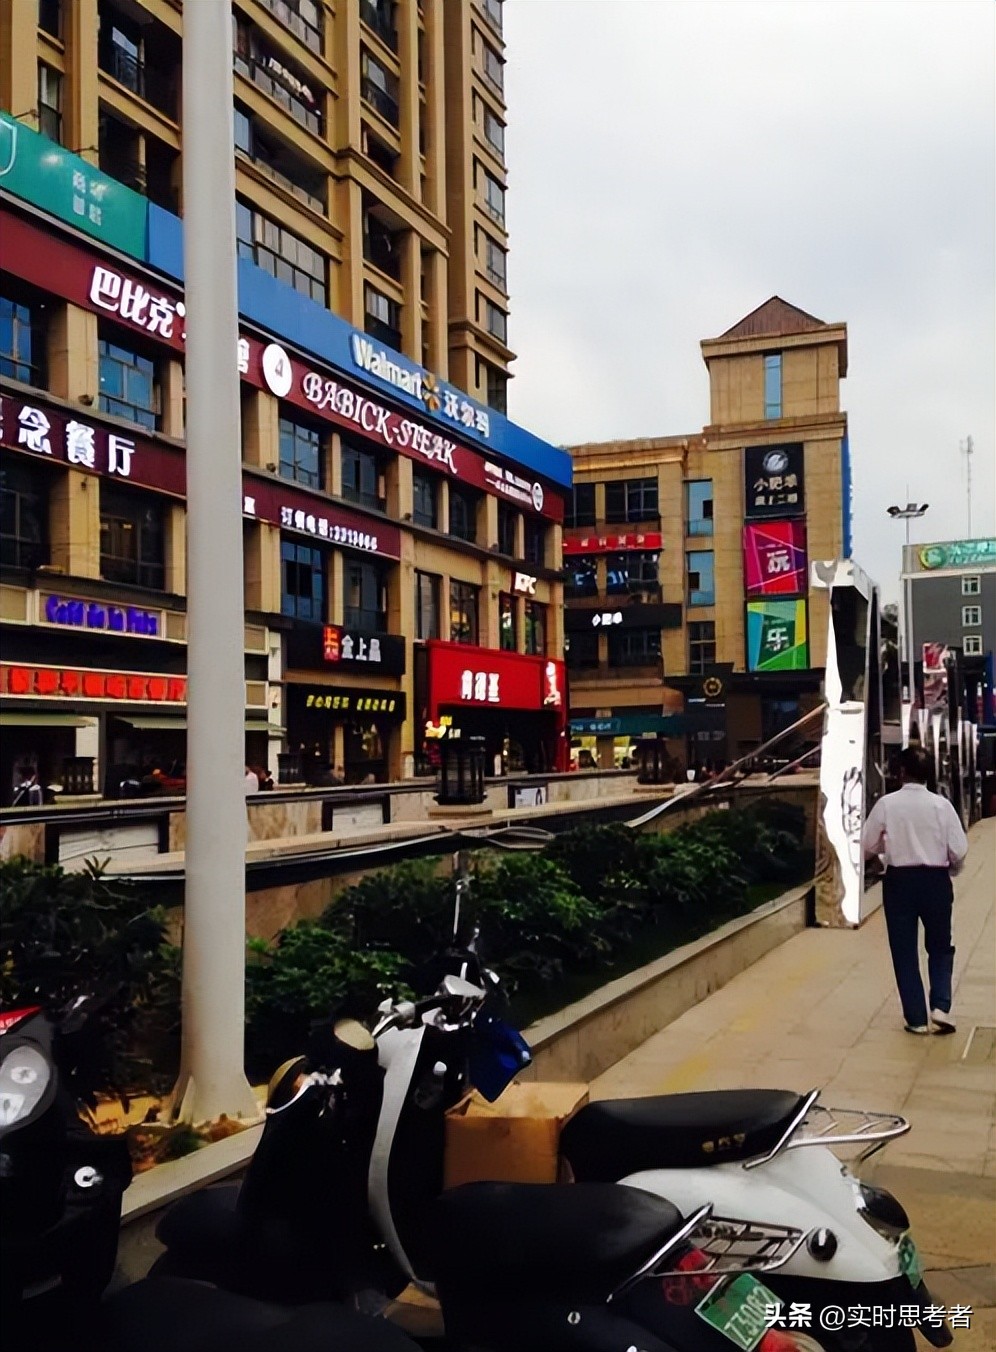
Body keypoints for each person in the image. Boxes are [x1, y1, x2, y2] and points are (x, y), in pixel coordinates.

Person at [862, 745, 968, 1035]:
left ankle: (916, 1018)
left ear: (901, 772)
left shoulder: (887, 804)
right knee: (940, 946)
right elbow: (959, 849)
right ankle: (941, 1007)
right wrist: (950, 871)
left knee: (904, 950)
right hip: (935, 881)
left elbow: (867, 845)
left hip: (900, 883)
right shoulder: (942, 806)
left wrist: (886, 849)